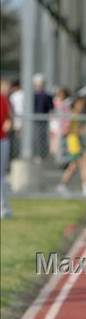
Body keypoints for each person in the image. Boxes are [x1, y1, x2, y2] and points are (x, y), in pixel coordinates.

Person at [33, 73, 54, 160]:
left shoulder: (47, 96)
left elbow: (51, 107)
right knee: (36, 137)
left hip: (43, 119)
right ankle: (37, 153)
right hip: (34, 119)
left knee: (42, 137)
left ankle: (42, 154)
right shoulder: (32, 95)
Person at [0, 80, 13, 218]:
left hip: (1, 139)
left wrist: (8, 124)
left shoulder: (2, 99)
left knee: (1, 176)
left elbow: (9, 118)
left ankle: (3, 208)